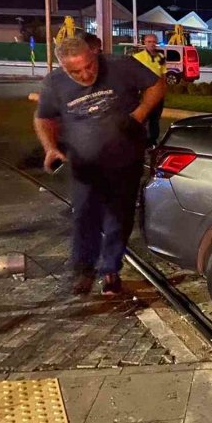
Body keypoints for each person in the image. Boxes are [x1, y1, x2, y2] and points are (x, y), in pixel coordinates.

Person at [33, 36, 166, 296]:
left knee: (119, 215)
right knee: (85, 215)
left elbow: (157, 85)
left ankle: (110, 269)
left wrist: (138, 115)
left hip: (125, 159)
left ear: (94, 55)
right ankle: (83, 270)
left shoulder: (121, 65)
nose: (85, 74)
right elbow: (44, 118)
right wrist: (50, 147)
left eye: (89, 66)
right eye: (76, 71)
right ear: (63, 68)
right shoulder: (54, 83)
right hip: (85, 163)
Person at [132, 34, 167, 146]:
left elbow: (163, 75)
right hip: (144, 93)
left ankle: (153, 141)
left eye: (153, 41)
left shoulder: (161, 57)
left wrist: (163, 91)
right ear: (145, 43)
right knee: (142, 117)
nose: (151, 44)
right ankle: (140, 140)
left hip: (157, 93)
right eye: (149, 41)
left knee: (155, 119)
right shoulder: (138, 57)